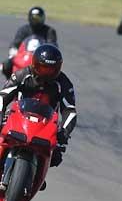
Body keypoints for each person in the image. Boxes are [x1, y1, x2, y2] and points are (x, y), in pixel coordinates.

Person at [0, 44, 76, 174]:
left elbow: (69, 109)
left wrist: (63, 133)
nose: (46, 72)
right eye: (43, 67)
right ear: (35, 64)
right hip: (16, 119)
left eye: (51, 69)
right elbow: (3, 96)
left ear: (58, 68)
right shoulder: (22, 75)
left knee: (56, 156)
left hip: (46, 126)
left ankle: (37, 175)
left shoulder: (63, 83)